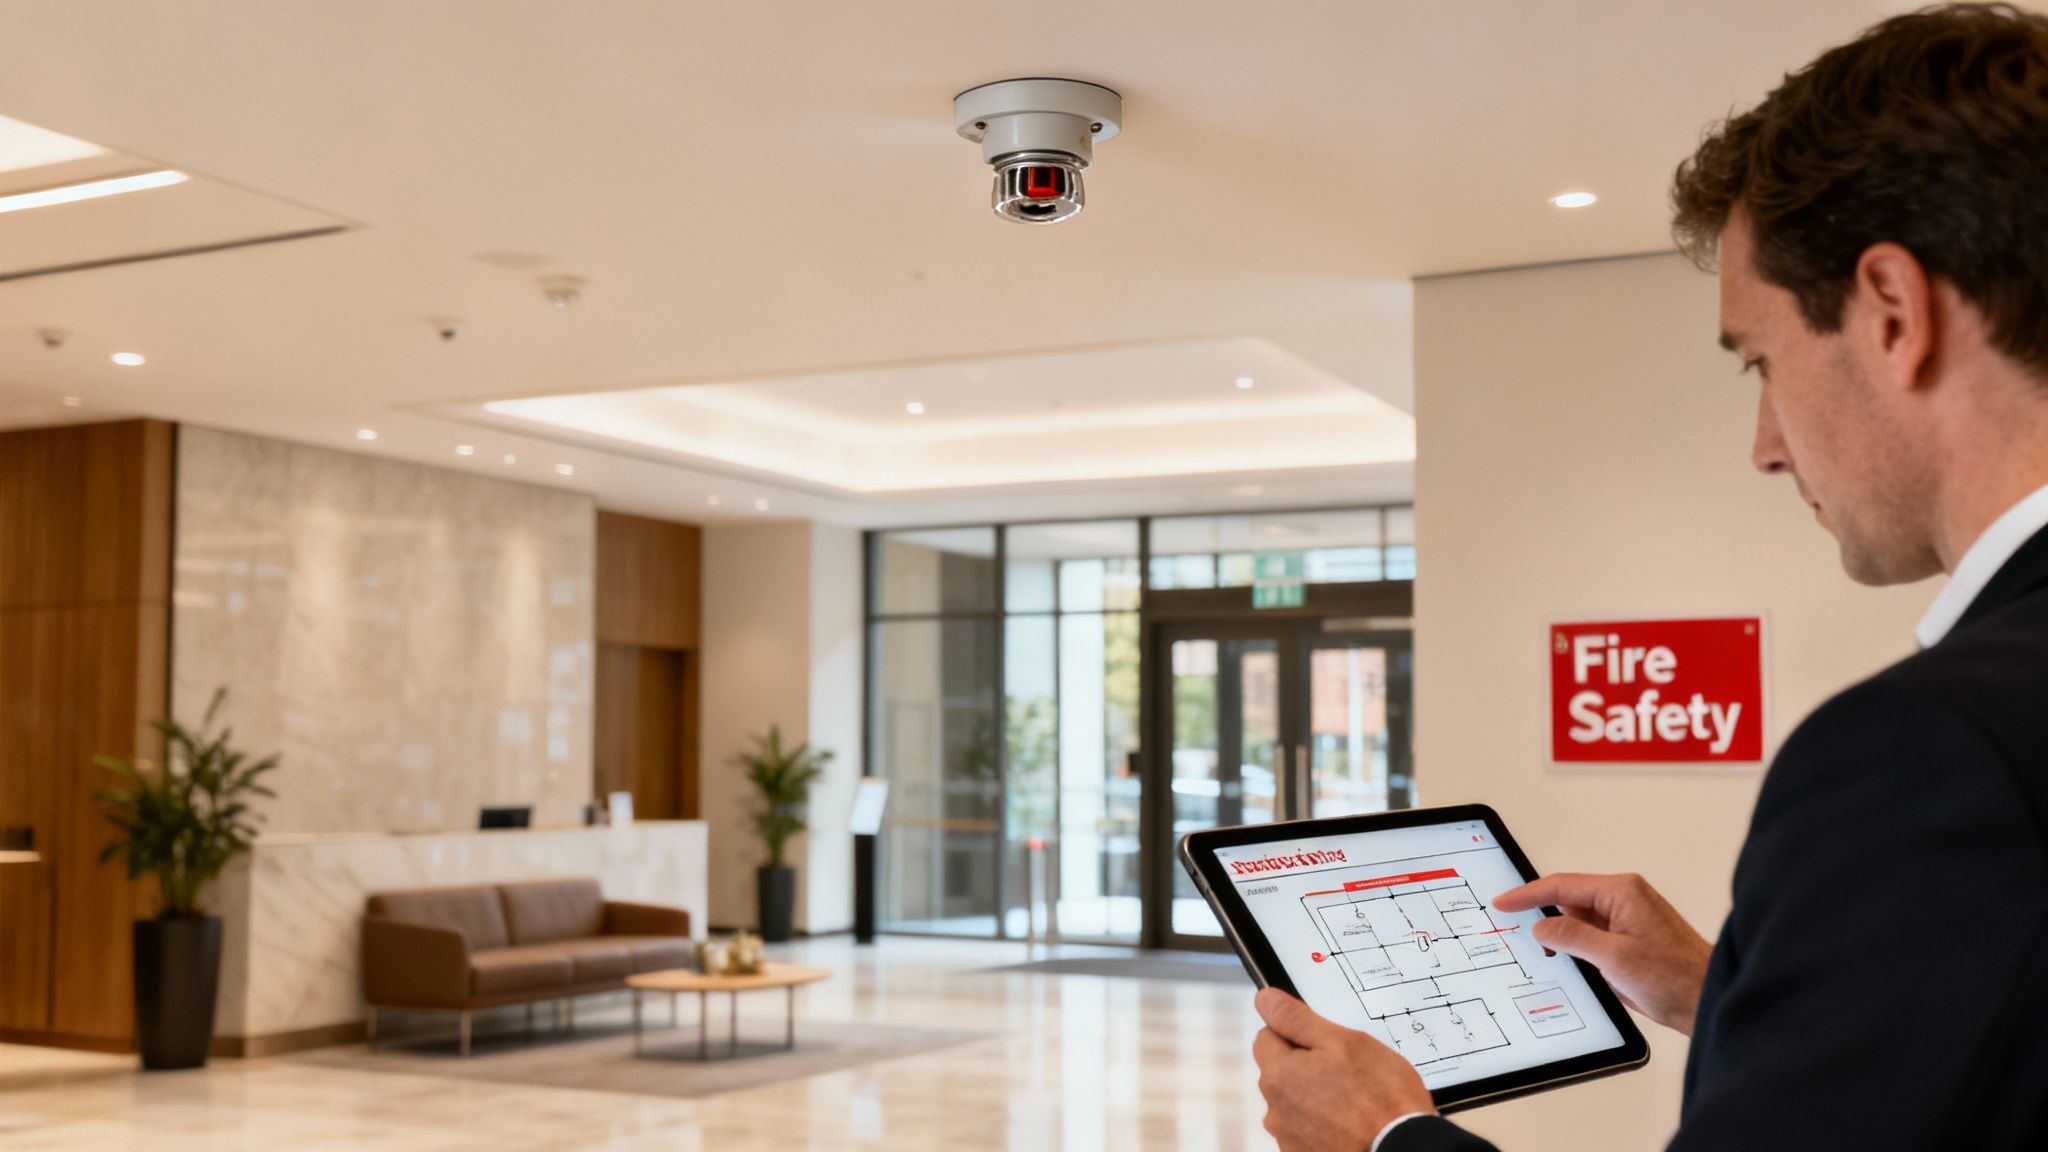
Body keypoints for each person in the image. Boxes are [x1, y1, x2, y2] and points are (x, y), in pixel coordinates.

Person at [1250, 5, 2048, 1150]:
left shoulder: (1929, 755)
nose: (1765, 445)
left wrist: (1387, 1139)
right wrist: (1722, 987)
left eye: (1763, 363)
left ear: (1889, 312)